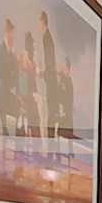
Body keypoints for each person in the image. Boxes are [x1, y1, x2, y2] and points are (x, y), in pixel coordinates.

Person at [39, 10, 58, 143]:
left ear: (43, 22)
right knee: (50, 112)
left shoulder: (46, 37)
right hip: (50, 79)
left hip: (51, 80)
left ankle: (50, 140)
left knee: (50, 113)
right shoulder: (47, 37)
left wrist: (44, 73)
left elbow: (49, 60)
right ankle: (50, 140)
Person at [0, 19, 18, 136]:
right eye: (12, 35)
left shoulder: (10, 49)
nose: (13, 37)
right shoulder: (2, 49)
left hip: (10, 87)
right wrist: (11, 85)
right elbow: (4, 71)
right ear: (7, 33)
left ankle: (15, 131)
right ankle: (5, 129)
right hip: (5, 89)